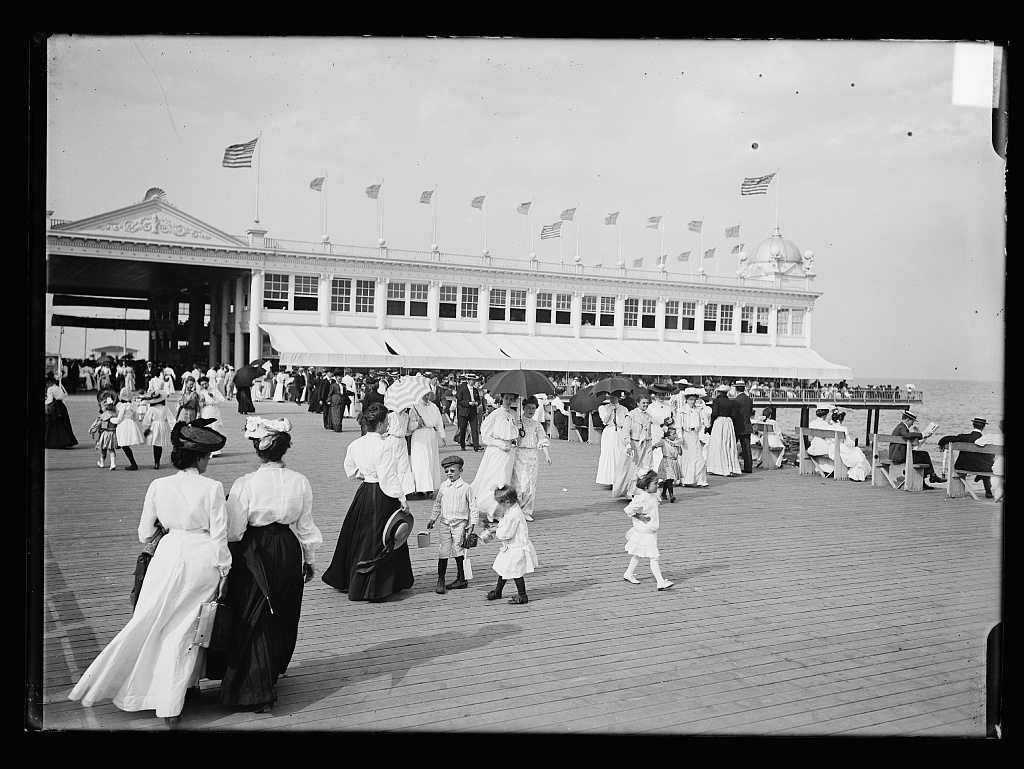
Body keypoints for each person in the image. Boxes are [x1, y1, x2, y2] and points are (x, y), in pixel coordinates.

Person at [68, 419, 230, 726]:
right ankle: (173, 700)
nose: (208, 461)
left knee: (150, 621)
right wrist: (224, 571)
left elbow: (144, 533)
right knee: (186, 631)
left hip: (167, 556)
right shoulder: (212, 488)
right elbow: (220, 535)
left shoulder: (158, 485)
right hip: (202, 558)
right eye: (207, 457)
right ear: (198, 458)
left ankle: (127, 686)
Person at [208, 417, 322, 713]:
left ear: (258, 451)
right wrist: (309, 559)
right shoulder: (300, 481)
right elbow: (306, 525)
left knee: (253, 613)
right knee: (279, 611)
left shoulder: (245, 483)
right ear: (284, 450)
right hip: (287, 548)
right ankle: (267, 675)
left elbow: (234, 530)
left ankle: (254, 688)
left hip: (254, 552)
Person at [321, 403, 416, 600]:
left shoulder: (356, 444)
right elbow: (389, 476)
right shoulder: (384, 446)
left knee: (360, 533)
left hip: (365, 491)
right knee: (385, 535)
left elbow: (349, 468)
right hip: (383, 493)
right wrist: (402, 498)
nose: (388, 426)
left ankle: (351, 579)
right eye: (387, 422)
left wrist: (363, 475)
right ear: (380, 424)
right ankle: (377, 586)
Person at [426, 455, 479, 594]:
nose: (449, 474)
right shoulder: (444, 486)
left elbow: (473, 506)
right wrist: (433, 518)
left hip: (459, 524)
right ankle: (441, 579)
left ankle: (461, 578)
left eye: (452, 471)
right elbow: (438, 503)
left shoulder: (466, 487)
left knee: (458, 549)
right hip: (445, 523)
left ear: (460, 470)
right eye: (447, 471)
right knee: (443, 551)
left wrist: (472, 523)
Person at [481, 485, 537, 605]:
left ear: (507, 502)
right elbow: (506, 525)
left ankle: (522, 595)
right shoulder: (512, 510)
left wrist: (496, 531)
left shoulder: (513, 514)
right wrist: (498, 526)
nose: (499, 506)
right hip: (511, 547)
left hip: (515, 547)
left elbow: (507, 533)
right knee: (503, 569)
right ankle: (498, 591)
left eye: (500, 503)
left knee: (516, 572)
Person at [471, 392, 520, 522]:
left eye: (511, 399)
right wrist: (499, 444)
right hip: (497, 451)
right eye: (506, 398)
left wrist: (514, 440)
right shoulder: (495, 414)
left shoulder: (514, 414)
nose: (508, 401)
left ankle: (500, 509)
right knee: (495, 479)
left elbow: (515, 432)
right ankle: (490, 508)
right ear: (501, 399)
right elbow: (486, 436)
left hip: (509, 452)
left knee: (505, 480)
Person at [621, 469, 673, 591]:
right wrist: (639, 516)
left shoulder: (653, 495)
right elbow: (628, 509)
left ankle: (628, 573)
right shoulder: (642, 498)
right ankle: (660, 581)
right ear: (646, 485)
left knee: (638, 553)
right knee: (654, 556)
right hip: (646, 531)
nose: (658, 485)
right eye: (655, 483)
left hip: (651, 530)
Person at [510, 396, 552, 522]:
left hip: (532, 456)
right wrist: (516, 428)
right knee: (519, 484)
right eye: (528, 408)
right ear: (523, 408)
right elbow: (512, 438)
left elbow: (542, 439)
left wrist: (547, 454)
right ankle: (515, 510)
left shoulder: (537, 424)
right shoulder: (518, 422)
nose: (530, 410)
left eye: (533, 408)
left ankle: (527, 511)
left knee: (530, 485)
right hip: (519, 454)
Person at [936, 418, 992, 496]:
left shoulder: (964, 437)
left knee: (983, 465)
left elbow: (945, 439)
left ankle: (981, 476)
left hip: (962, 466)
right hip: (980, 468)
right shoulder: (985, 440)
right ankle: (988, 491)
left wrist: (941, 444)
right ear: (983, 427)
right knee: (986, 464)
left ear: (973, 425)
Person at [890, 410, 941, 489]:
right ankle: (929, 477)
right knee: (923, 456)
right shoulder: (901, 427)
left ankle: (929, 477)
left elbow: (907, 439)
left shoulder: (901, 427)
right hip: (899, 456)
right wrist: (922, 434)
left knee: (924, 455)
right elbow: (907, 435)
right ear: (907, 420)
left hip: (899, 453)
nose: (912, 424)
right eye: (912, 421)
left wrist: (918, 439)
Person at [410, 391, 446, 498]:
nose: (426, 397)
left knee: (431, 460)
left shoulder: (434, 407)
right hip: (419, 436)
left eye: (428, 395)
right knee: (421, 461)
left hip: (431, 435)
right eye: (424, 395)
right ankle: (421, 488)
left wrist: (442, 435)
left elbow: (439, 421)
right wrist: (417, 424)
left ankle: (430, 487)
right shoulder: (415, 407)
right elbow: (409, 424)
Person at [676, 387, 710, 487]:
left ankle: (700, 480)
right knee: (686, 459)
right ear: (686, 399)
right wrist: (680, 436)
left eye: (694, 399)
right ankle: (684, 480)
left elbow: (705, 423)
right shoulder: (681, 410)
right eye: (691, 399)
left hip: (695, 435)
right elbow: (678, 425)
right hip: (686, 436)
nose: (693, 401)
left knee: (699, 458)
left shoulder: (698, 410)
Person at [829, 408, 873, 481]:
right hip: (841, 449)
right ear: (841, 420)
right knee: (859, 453)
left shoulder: (828, 427)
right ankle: (857, 475)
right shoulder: (843, 429)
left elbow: (828, 441)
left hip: (832, 449)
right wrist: (853, 444)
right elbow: (848, 443)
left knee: (858, 453)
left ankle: (857, 475)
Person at [596, 392, 629, 488]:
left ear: (618, 397)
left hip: (619, 432)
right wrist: (610, 411)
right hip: (609, 432)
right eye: (610, 396)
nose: (611, 398)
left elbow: (626, 423)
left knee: (619, 453)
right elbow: (605, 421)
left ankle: (619, 479)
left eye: (614, 396)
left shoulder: (624, 409)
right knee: (609, 454)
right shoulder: (603, 408)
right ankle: (609, 479)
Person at [706, 385, 740, 477]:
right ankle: (730, 467)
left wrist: (710, 424)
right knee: (728, 444)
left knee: (717, 443)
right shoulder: (731, 402)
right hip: (728, 422)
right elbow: (734, 415)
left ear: (719, 392)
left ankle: (717, 467)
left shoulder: (717, 401)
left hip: (719, 422)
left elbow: (715, 413)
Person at [111, 388, 145, 471]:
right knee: (126, 445)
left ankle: (133, 463)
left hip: (123, 425)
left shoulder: (122, 406)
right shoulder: (132, 406)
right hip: (131, 424)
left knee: (124, 445)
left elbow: (119, 419)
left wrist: (111, 420)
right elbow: (135, 417)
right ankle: (133, 463)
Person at [142, 391, 176, 469]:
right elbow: (171, 419)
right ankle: (158, 462)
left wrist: (145, 429)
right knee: (159, 444)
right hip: (163, 425)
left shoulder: (151, 409)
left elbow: (146, 420)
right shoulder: (165, 408)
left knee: (155, 444)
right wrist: (173, 428)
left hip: (154, 426)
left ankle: (156, 462)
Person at [44, 371, 78, 449]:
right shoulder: (58, 388)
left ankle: (54, 442)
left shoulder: (50, 389)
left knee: (53, 425)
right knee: (63, 424)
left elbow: (50, 400)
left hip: (54, 407)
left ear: (49, 382)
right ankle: (66, 440)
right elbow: (62, 398)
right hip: (61, 406)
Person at [89, 392, 120, 470]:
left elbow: (97, 423)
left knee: (103, 449)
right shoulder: (115, 414)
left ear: (105, 408)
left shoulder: (103, 416)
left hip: (105, 433)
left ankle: (102, 462)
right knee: (111, 449)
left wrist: (92, 429)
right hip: (113, 433)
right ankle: (113, 463)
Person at [975, 419, 1004, 501]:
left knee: (999, 484)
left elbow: (978, 442)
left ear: (1000, 427)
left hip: (999, 467)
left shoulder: (994, 437)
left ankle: (997, 498)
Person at [654, 425, 684, 502]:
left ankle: (664, 493)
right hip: (667, 461)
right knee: (669, 478)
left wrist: (679, 447)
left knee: (669, 479)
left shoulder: (676, 443)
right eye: (673, 434)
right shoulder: (664, 441)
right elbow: (655, 445)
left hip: (674, 461)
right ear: (669, 434)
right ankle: (671, 495)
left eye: (675, 434)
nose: (675, 435)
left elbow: (680, 453)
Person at [805, 404, 837, 477]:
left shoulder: (812, 423)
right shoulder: (825, 424)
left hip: (813, 447)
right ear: (825, 415)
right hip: (821, 448)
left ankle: (822, 469)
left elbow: (811, 437)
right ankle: (830, 469)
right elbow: (828, 439)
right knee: (834, 448)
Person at [197, 376, 226, 456]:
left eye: (205, 384)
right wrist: (201, 402)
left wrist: (213, 396)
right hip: (205, 411)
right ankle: (207, 449)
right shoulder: (201, 392)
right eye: (202, 384)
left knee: (215, 428)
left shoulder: (214, 389)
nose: (204, 386)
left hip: (213, 410)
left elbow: (222, 399)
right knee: (207, 429)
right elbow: (200, 404)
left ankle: (215, 450)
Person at [455, 374, 483, 451]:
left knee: (474, 428)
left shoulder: (475, 390)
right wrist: (468, 403)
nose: (473, 382)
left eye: (474, 380)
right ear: (468, 381)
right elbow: (460, 401)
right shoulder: (462, 389)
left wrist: (477, 402)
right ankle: (462, 445)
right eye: (472, 380)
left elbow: (478, 400)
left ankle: (476, 445)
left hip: (473, 411)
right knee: (463, 428)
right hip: (464, 411)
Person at [732, 380, 755, 474]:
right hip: (747, 425)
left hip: (738, 426)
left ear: (736, 389)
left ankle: (733, 465)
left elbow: (735, 414)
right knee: (747, 448)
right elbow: (749, 412)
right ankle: (748, 467)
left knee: (733, 446)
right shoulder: (749, 399)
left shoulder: (736, 400)